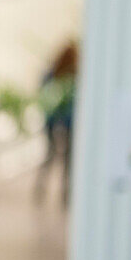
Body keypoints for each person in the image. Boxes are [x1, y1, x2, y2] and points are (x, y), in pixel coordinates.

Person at [35, 40, 78, 207]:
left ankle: (41, 189)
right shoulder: (73, 74)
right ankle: (65, 195)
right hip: (68, 122)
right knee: (67, 159)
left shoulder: (52, 72)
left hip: (51, 120)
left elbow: (42, 93)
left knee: (50, 155)